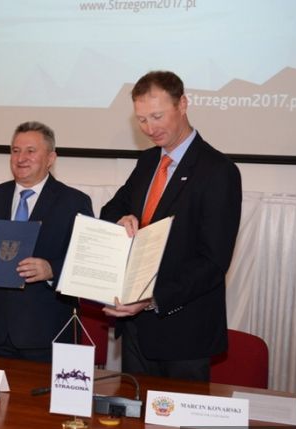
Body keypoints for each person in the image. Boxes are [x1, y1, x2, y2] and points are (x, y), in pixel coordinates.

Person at [100, 71, 242, 381]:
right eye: (141, 120)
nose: (150, 128)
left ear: (183, 105)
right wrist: (122, 219)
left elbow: (213, 262)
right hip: (136, 330)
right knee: (134, 412)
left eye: (157, 116)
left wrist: (151, 299)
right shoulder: (148, 161)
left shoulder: (218, 171)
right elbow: (111, 210)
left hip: (184, 334)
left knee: (176, 414)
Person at [0, 121, 93, 362]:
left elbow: (86, 262)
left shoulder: (74, 202)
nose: (21, 158)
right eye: (15, 150)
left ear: (50, 158)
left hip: (48, 332)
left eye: (31, 151)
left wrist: (51, 269)